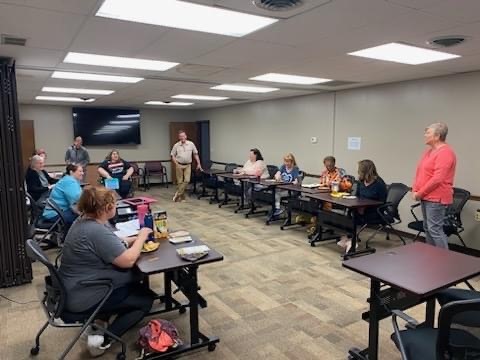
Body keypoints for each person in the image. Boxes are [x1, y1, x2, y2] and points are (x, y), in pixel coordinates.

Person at [58, 186, 154, 356]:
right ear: (107, 208)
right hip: (85, 294)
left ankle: (100, 320)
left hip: (74, 288)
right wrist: (142, 236)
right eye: (115, 204)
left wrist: (135, 239)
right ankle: (103, 340)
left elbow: (112, 241)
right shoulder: (95, 230)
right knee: (145, 299)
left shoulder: (82, 221)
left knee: (134, 284)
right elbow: (128, 261)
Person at [412, 122, 456, 249]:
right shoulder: (429, 152)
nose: (425, 135)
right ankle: (432, 257)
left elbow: (438, 179)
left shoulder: (445, 152)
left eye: (428, 133)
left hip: (437, 198)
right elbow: (420, 171)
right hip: (425, 196)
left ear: (437, 136)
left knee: (434, 229)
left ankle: (443, 262)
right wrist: (415, 189)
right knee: (428, 228)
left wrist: (420, 193)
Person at [340, 160, 387, 253]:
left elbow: (382, 202)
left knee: (353, 217)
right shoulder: (361, 182)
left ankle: (351, 241)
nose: (358, 172)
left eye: (359, 170)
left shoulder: (379, 183)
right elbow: (357, 196)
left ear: (365, 170)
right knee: (347, 214)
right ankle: (349, 239)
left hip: (374, 212)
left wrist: (364, 208)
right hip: (359, 209)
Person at [170, 130, 203, 202]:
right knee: (180, 182)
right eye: (180, 136)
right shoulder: (176, 145)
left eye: (183, 136)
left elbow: (195, 154)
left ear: (186, 136)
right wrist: (176, 164)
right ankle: (182, 197)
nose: (182, 138)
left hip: (188, 165)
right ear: (179, 137)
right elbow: (172, 155)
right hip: (179, 164)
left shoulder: (191, 144)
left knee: (187, 180)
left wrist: (199, 163)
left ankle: (178, 194)